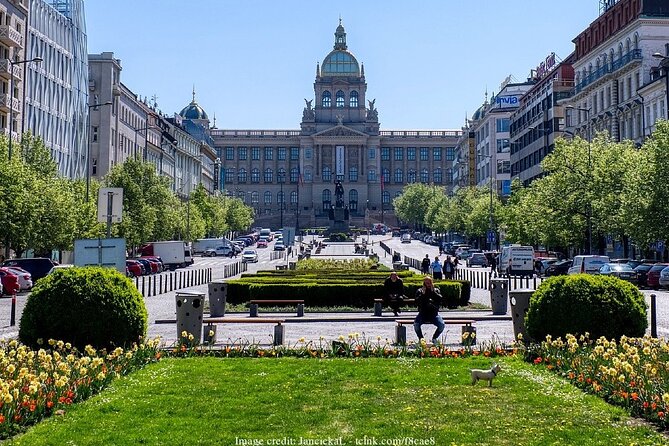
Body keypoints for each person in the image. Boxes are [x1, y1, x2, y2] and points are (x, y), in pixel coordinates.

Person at [414, 276, 445, 345]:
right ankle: (421, 339)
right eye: (426, 283)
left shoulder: (436, 290)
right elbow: (416, 301)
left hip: (434, 314)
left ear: (432, 283)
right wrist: (423, 294)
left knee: (441, 325)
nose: (428, 284)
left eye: (429, 282)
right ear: (424, 283)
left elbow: (440, 299)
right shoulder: (420, 291)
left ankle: (434, 338)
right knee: (416, 325)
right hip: (423, 313)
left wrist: (433, 292)